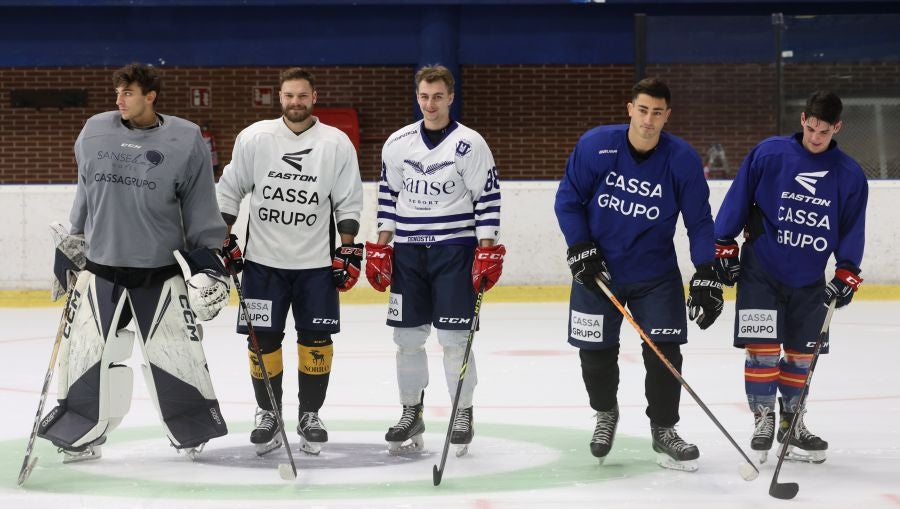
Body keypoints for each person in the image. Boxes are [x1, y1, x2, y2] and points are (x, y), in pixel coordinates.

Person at [39, 63, 231, 462]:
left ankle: (191, 426)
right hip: (101, 271)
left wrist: (209, 258)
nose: (119, 99)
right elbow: (85, 192)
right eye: (117, 92)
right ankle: (80, 430)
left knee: (176, 358)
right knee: (85, 360)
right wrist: (73, 242)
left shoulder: (185, 138)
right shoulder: (94, 130)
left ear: (150, 96)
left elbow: (199, 205)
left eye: (128, 92)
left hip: (159, 275)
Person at [554, 77, 723, 472]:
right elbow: (568, 201)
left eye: (657, 112)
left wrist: (707, 271)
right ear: (630, 108)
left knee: (665, 355)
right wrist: (580, 246)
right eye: (643, 110)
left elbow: (699, 221)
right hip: (598, 272)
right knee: (594, 352)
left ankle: (664, 429)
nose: (648, 120)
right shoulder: (596, 145)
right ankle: (605, 413)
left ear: (668, 116)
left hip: (655, 274)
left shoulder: (681, 159)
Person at [713, 91, 867, 464]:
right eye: (811, 128)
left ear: (837, 127)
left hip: (809, 279)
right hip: (760, 271)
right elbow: (738, 197)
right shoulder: (770, 153)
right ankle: (764, 418)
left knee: (802, 356)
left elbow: (852, 229)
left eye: (824, 131)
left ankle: (792, 422)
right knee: (763, 352)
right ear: (802, 120)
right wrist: (723, 243)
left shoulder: (849, 175)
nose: (815, 137)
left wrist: (847, 270)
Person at [216, 67, 364, 456]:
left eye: (302, 96)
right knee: (262, 340)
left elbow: (348, 198)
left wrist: (346, 247)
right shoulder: (255, 138)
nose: (294, 103)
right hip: (263, 264)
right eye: (288, 96)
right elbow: (230, 188)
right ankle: (268, 413)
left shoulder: (336, 143)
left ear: (314, 96)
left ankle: (309, 414)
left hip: (315, 265)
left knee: (316, 340)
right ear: (278, 98)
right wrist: (223, 235)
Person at [365, 64, 505, 457]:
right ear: (417, 96)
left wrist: (487, 248)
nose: (430, 104)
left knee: (455, 339)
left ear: (451, 97)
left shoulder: (471, 144)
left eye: (438, 96)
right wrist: (381, 245)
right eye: (424, 96)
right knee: (407, 339)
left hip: (454, 252)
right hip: (408, 253)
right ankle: (412, 411)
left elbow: (487, 199)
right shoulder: (398, 143)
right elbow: (389, 196)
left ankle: (463, 413)